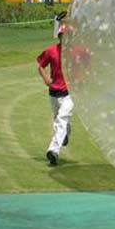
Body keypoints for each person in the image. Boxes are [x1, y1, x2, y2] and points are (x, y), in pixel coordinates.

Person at [37, 24, 74, 165]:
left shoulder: (77, 51)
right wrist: (46, 78)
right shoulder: (51, 51)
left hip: (70, 93)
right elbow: (40, 65)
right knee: (59, 119)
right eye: (62, 36)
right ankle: (64, 134)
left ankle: (53, 151)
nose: (65, 39)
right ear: (59, 36)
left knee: (62, 118)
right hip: (54, 92)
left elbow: (86, 64)